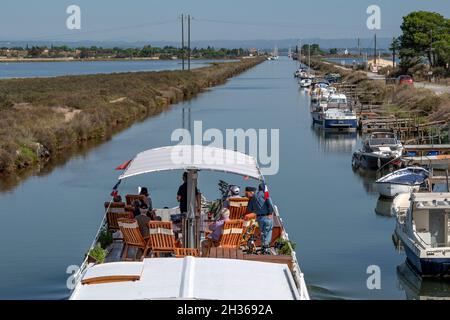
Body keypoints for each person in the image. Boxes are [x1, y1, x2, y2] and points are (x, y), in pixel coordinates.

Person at [245, 185, 274, 255]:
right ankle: (265, 248)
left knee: (263, 233)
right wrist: (270, 213)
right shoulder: (265, 194)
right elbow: (270, 203)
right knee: (268, 231)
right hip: (267, 217)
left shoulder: (253, 197)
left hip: (259, 218)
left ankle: (264, 247)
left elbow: (249, 209)